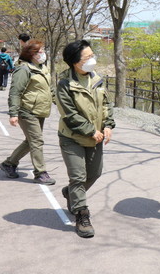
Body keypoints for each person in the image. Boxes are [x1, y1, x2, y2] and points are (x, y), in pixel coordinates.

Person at [56, 40, 115, 238]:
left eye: (92, 55)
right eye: (88, 57)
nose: (93, 59)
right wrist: (90, 130)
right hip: (72, 137)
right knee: (78, 177)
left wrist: (107, 125)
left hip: (95, 137)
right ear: (75, 62)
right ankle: (82, 214)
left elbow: (106, 104)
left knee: (95, 173)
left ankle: (71, 192)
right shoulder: (65, 84)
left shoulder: (97, 78)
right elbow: (69, 114)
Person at [0, 40, 55, 185]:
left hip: (40, 110)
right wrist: (13, 113)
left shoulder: (42, 68)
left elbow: (49, 89)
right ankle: (40, 173)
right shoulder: (23, 69)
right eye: (40, 51)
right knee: (37, 141)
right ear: (32, 54)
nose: (43, 53)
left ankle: (9, 164)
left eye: (43, 50)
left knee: (31, 141)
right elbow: (15, 92)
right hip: (27, 110)